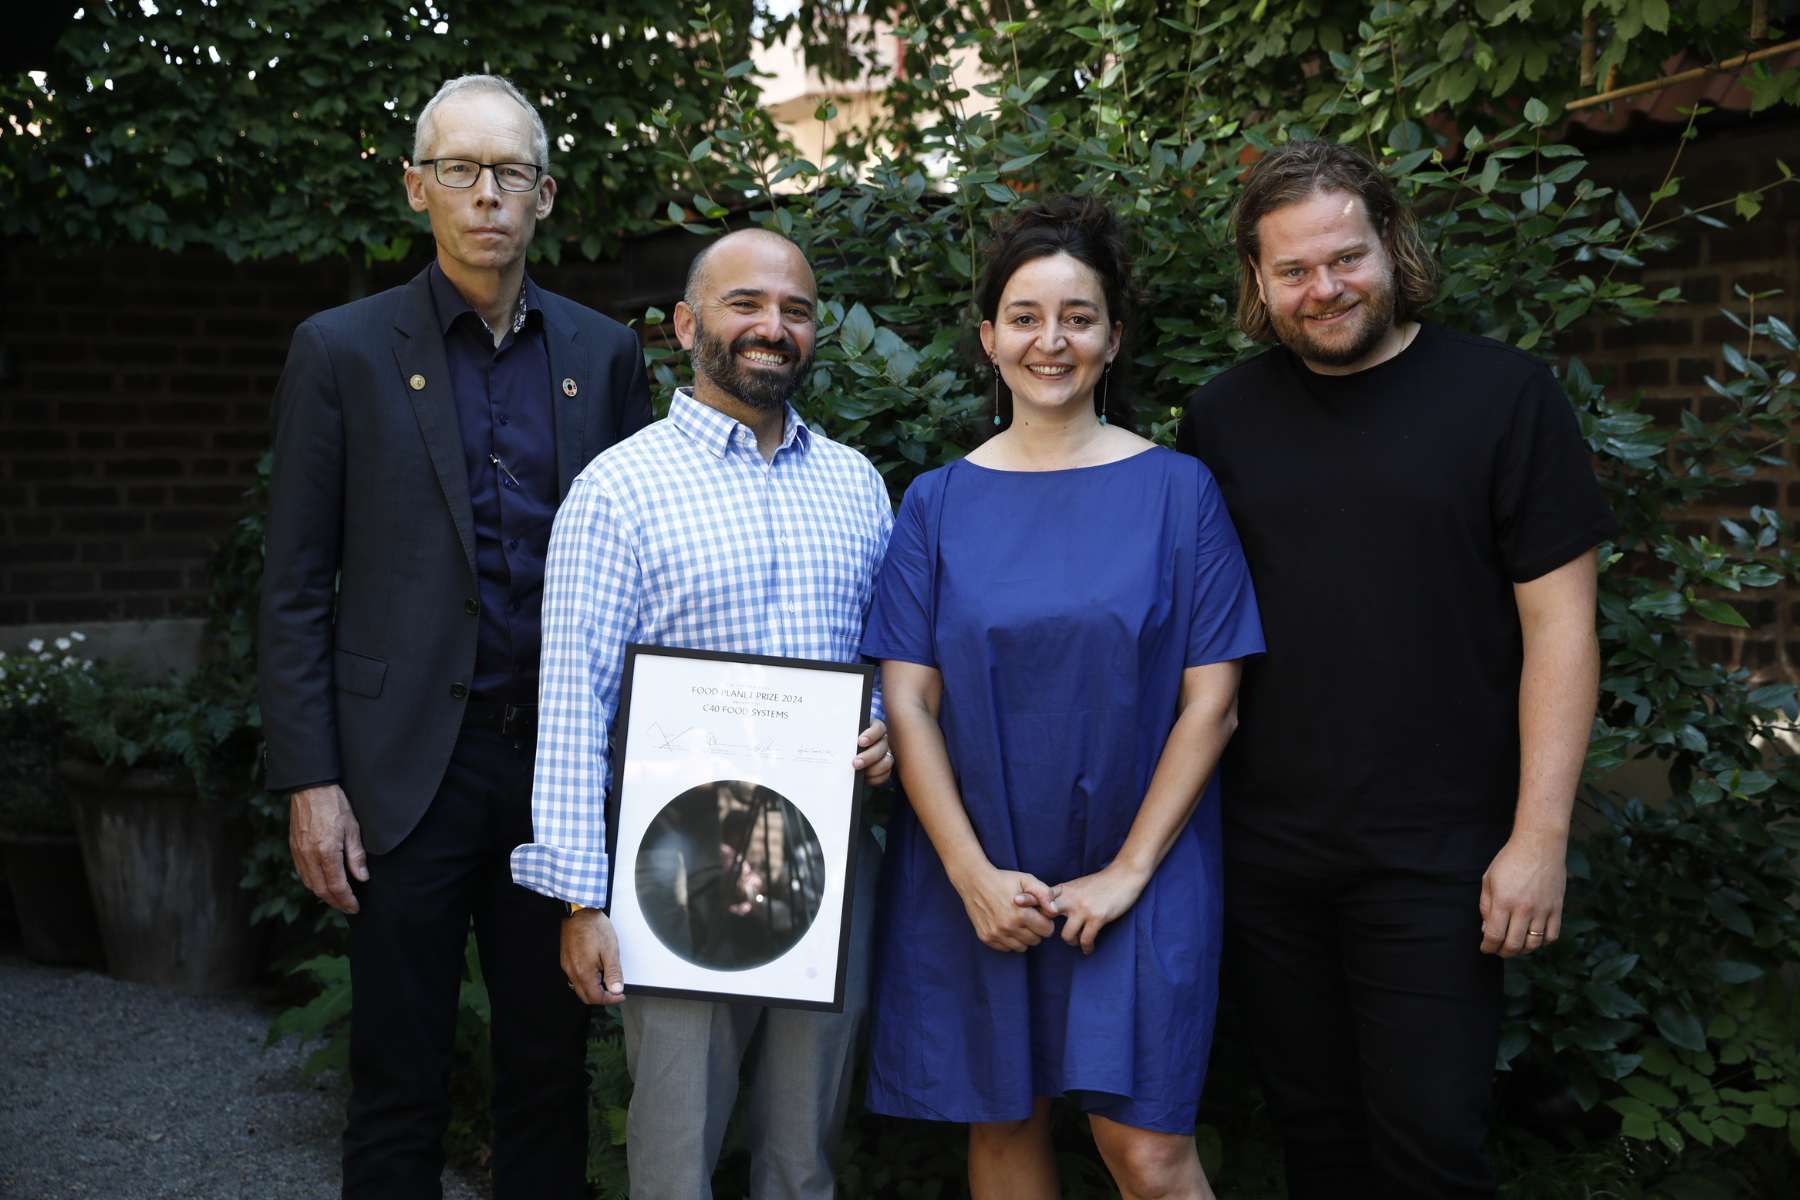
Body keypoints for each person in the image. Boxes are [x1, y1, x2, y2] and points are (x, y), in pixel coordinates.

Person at [1176, 140, 1617, 1198]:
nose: (1324, 288)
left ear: (1391, 245)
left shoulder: (1505, 397)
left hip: (1442, 857)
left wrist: (1539, 838)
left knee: (1431, 1153)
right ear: (1258, 280)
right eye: (1293, 270)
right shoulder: (1222, 418)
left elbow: (1563, 630)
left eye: (1346, 258)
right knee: (1315, 1144)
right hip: (1268, 853)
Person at [257, 74, 653, 1198]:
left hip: (555, 771)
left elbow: (646, 568)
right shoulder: (340, 350)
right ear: (416, 188)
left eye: (511, 172)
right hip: (399, 775)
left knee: (549, 1070)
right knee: (398, 1077)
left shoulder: (602, 355)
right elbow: (294, 584)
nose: (487, 194)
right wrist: (312, 779)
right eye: (460, 170)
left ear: (545, 197)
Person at [862, 196, 1264, 1200]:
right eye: (1026, 317)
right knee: (1004, 1127)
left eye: (1078, 317)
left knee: (1149, 1153)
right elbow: (908, 704)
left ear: (1112, 339)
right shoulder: (936, 503)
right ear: (989, 339)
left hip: (1144, 861)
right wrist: (971, 877)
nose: (1052, 341)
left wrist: (1128, 873)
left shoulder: (1182, 493)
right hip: (978, 861)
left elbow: (1213, 705)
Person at [510, 227, 896, 1199]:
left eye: (796, 310)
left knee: (804, 1157)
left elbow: (885, 667)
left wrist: (888, 727)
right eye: (746, 304)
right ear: (686, 326)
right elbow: (573, 702)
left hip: (824, 867)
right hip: (675, 873)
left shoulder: (856, 487)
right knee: (675, 1158)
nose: (774, 326)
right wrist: (581, 901)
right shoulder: (619, 490)